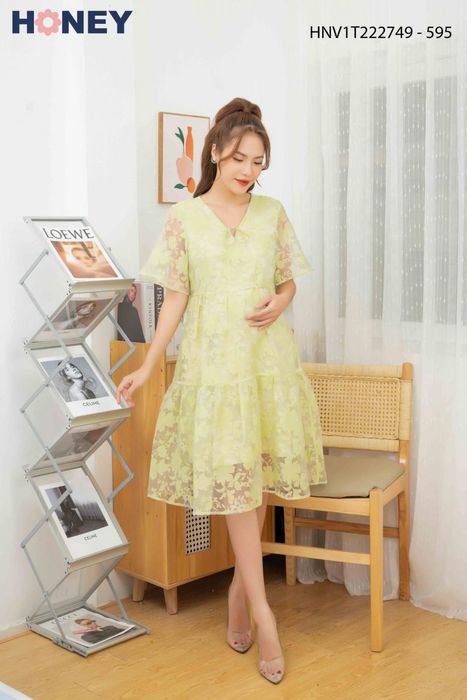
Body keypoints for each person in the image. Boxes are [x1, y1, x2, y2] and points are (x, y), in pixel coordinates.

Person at [116, 97, 327, 685]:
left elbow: (288, 282)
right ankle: (264, 614)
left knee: (252, 486)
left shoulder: (272, 212)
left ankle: (239, 590)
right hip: (213, 368)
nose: (248, 171)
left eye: (258, 162)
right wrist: (148, 366)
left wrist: (281, 301)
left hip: (267, 364)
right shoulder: (185, 218)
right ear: (214, 153)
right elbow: (176, 299)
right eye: (238, 159)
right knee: (236, 488)